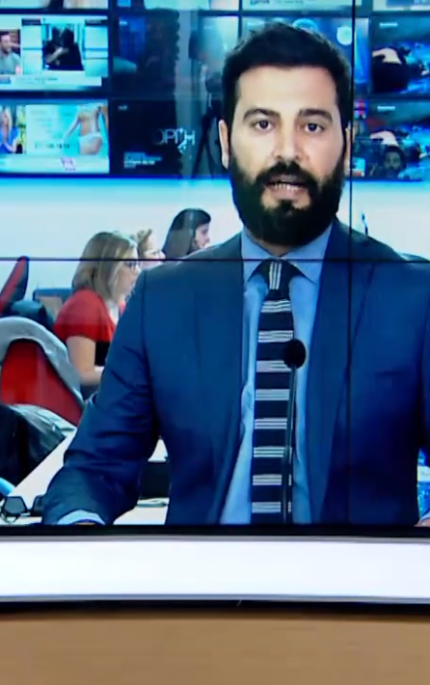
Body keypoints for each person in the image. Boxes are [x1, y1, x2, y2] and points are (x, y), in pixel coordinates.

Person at [42, 23, 430, 527]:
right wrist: (79, 537)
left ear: (347, 143)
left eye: (312, 126)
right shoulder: (164, 299)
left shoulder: (411, 296)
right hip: (205, 576)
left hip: (359, 578)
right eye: (263, 124)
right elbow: (94, 468)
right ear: (226, 142)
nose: (287, 152)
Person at [53, 232, 139, 393]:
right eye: (130, 264)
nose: (137, 271)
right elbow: (81, 374)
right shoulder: (84, 304)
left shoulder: (120, 306)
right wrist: (133, 374)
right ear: (107, 268)